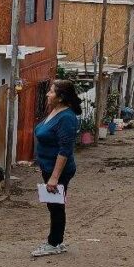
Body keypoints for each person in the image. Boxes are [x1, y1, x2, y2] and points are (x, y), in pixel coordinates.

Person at [31, 80, 82, 257]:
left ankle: (54, 243)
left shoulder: (67, 118)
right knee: (54, 206)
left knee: (56, 206)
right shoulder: (55, 111)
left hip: (59, 170)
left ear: (60, 98)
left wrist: (54, 177)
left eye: (51, 92)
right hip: (49, 167)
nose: (47, 94)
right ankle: (57, 241)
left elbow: (65, 150)